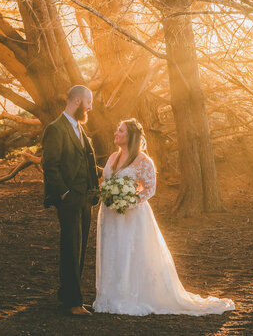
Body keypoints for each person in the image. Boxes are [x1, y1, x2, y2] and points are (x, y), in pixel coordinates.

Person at [93, 118, 235, 316]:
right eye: (117, 130)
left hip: (131, 216)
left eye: (121, 131)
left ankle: (129, 296)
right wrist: (109, 195)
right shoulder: (112, 158)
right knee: (112, 252)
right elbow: (106, 180)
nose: (116, 133)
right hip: (109, 215)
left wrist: (127, 201)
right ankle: (110, 295)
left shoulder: (143, 161)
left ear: (131, 137)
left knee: (129, 252)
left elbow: (150, 189)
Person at [41, 85, 100, 317]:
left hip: (85, 199)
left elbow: (88, 164)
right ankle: (73, 303)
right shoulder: (55, 129)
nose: (91, 107)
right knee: (70, 248)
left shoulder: (80, 130)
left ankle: (68, 296)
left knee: (80, 249)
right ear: (76, 101)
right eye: (89, 102)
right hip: (69, 200)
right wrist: (64, 194)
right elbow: (50, 166)